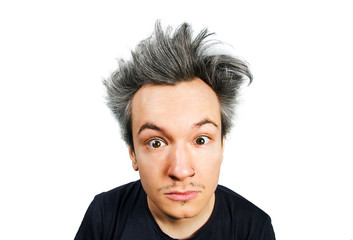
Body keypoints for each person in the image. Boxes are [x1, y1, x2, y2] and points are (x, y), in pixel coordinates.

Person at [74, 21, 276, 240]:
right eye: (156, 143)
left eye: (200, 140)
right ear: (132, 153)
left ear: (222, 145)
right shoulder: (104, 217)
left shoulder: (253, 227)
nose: (180, 171)